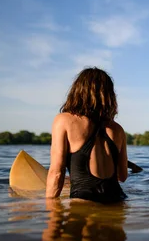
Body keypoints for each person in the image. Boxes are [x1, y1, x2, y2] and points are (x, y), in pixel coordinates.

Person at [45, 67, 128, 203]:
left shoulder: (64, 120)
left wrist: (49, 210)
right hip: (116, 199)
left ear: (78, 91)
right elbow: (122, 176)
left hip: (84, 200)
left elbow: (56, 172)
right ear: (109, 95)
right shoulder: (117, 129)